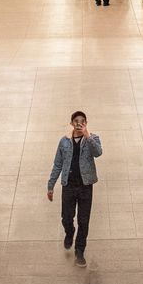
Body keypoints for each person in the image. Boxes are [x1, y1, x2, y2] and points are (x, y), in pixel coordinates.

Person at [46, 111, 102, 267]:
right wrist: (51, 185)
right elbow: (58, 164)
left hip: (85, 185)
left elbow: (98, 153)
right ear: (71, 123)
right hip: (69, 185)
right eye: (76, 121)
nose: (79, 123)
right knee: (66, 217)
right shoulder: (64, 141)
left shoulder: (93, 139)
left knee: (84, 221)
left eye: (82, 121)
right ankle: (69, 232)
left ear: (86, 123)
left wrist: (87, 136)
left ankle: (80, 252)